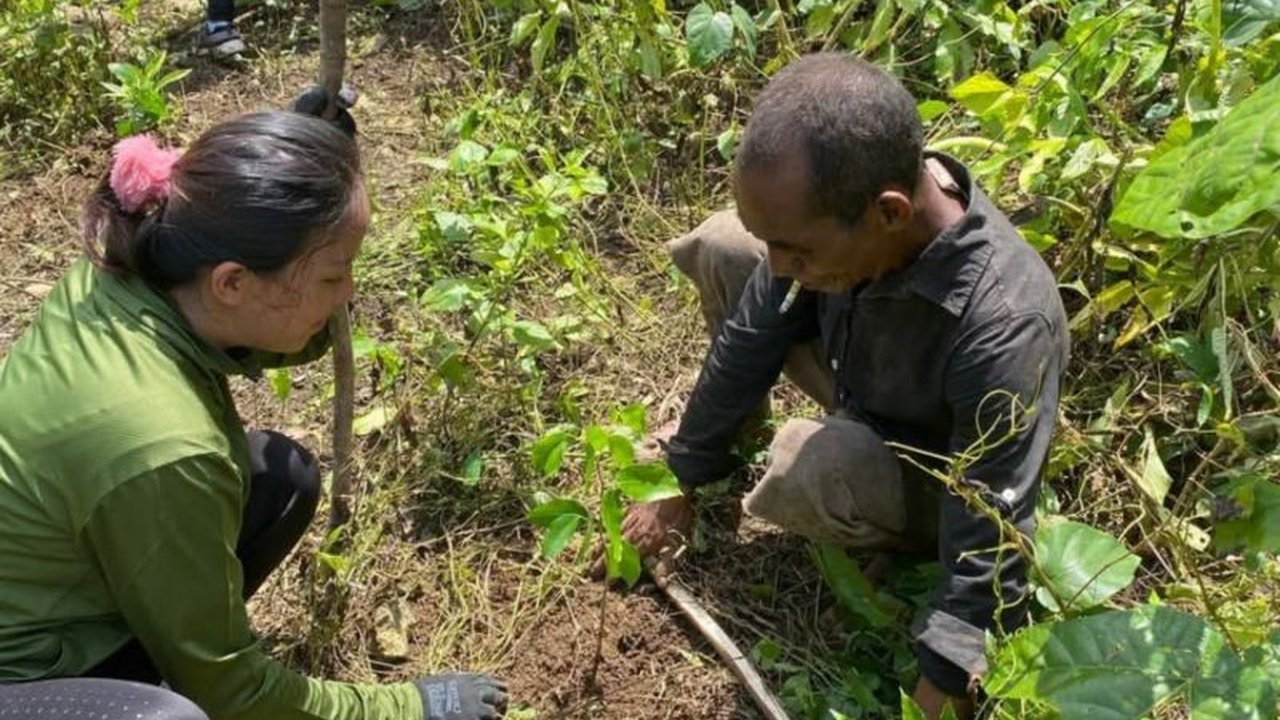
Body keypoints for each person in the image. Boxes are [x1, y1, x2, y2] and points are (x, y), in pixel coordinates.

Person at [0, 109, 508, 720]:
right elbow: (231, 693)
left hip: (63, 594)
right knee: (172, 718)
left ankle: (156, 663)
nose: (348, 293)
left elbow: (272, 321)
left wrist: (303, 166)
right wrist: (406, 706)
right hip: (17, 678)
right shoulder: (163, 447)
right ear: (233, 283)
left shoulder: (133, 265)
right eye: (333, 275)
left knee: (279, 477)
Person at [619, 54, 1069, 719]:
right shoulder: (856, 216)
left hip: (935, 468)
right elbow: (752, 334)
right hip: (856, 384)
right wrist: (683, 469)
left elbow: (991, 528)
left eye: (797, 251)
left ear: (890, 213)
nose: (781, 267)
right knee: (723, 247)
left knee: (809, 463)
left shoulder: (1005, 319)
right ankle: (734, 435)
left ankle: (890, 535)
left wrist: (945, 679)